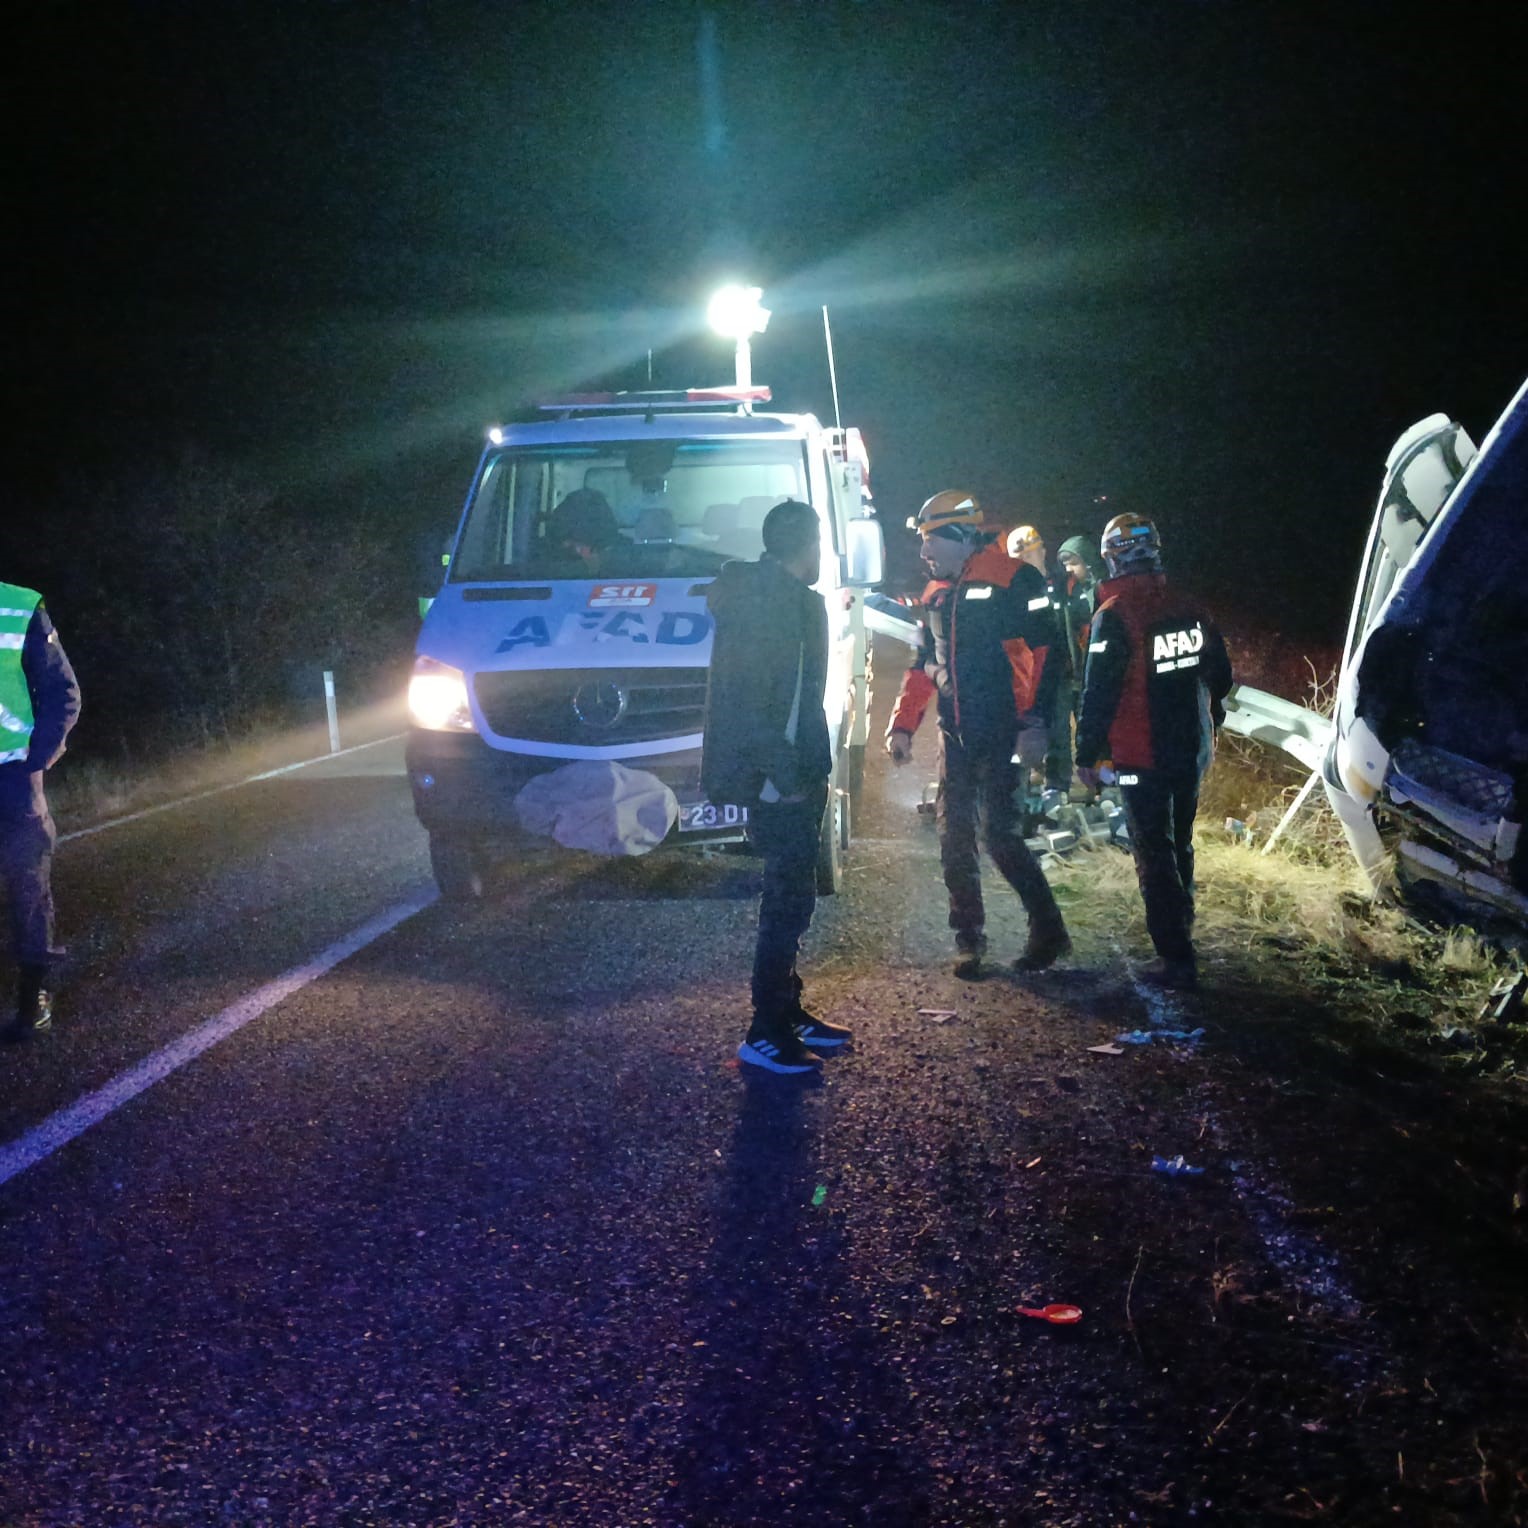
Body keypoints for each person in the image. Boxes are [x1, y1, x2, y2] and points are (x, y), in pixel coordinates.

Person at [887, 492, 1070, 978]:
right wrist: (903, 725)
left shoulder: (1016, 580)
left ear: (959, 536)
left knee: (1001, 837)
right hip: (957, 736)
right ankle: (969, 940)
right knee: (953, 839)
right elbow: (924, 665)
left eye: (929, 539)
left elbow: (1049, 659)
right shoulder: (936, 595)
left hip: (1005, 733)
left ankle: (1049, 931)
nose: (923, 551)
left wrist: (1035, 726)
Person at [701, 499, 852, 1074]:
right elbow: (755, 703)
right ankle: (765, 1031)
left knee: (795, 897)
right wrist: (786, 778)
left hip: (793, 773)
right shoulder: (769, 605)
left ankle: (787, 1010)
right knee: (785, 901)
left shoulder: (782, 599)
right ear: (807, 546)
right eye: (819, 545)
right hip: (777, 779)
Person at [1075, 513, 1232, 990]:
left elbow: (1097, 693)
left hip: (1140, 754)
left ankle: (1174, 956)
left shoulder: (1115, 615)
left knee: (1153, 849)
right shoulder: (1191, 607)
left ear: (1111, 558)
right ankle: (1182, 930)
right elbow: (1220, 677)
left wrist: (1086, 755)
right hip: (1191, 749)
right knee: (1179, 841)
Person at [1, 579, 81, 1041]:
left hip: (11, 778)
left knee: (27, 892)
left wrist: (36, 759)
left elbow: (62, 691)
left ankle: (33, 1001)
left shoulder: (16, 605)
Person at [1044, 534, 1099, 796]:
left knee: (1093, 734)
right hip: (1069, 675)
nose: (1068, 569)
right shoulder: (1064, 591)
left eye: (1072, 562)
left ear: (1088, 562)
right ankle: (1058, 787)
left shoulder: (1102, 592)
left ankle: (1103, 787)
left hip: (1093, 677)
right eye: (1063, 563)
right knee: (1059, 735)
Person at [542, 487, 619, 571]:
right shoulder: (538, 558)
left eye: (576, 545)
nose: (565, 545)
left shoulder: (628, 565)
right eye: (562, 541)